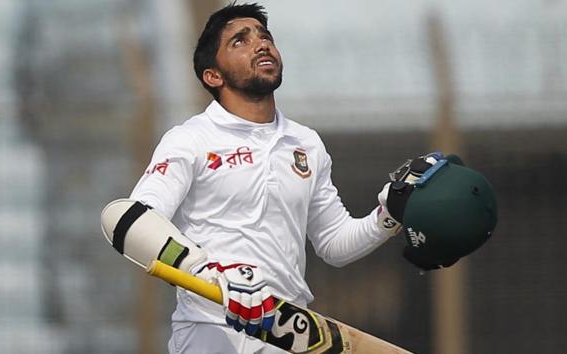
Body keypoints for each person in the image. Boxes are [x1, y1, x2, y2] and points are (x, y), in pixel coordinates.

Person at [129, 3, 406, 353]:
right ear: (213, 76)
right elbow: (134, 220)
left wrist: (388, 216)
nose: (260, 44)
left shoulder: (306, 143)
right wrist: (210, 272)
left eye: (264, 37)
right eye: (239, 41)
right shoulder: (190, 139)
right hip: (210, 331)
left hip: (289, 334)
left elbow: (334, 243)